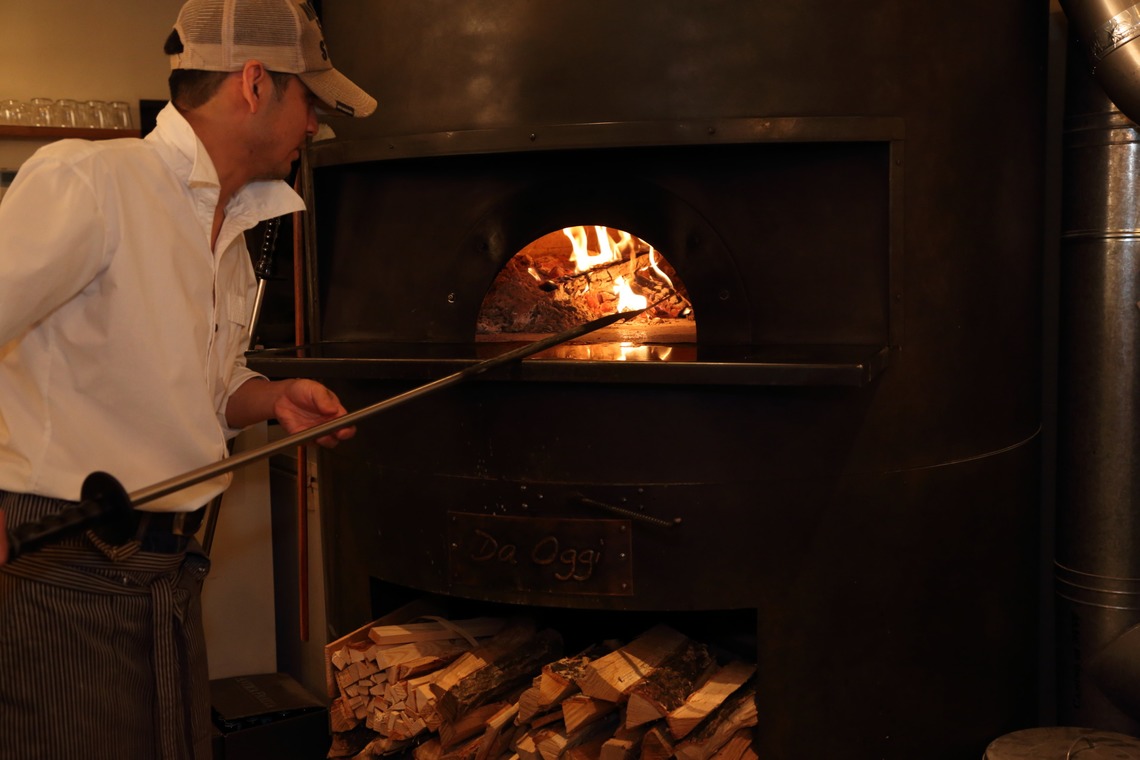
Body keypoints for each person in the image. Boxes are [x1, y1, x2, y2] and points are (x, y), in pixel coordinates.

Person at [0, 0, 376, 757]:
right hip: (64, 566)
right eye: (310, 100)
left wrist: (272, 398)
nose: (314, 126)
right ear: (255, 82)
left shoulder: (232, 226)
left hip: (167, 574)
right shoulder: (92, 179)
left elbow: (208, 386)